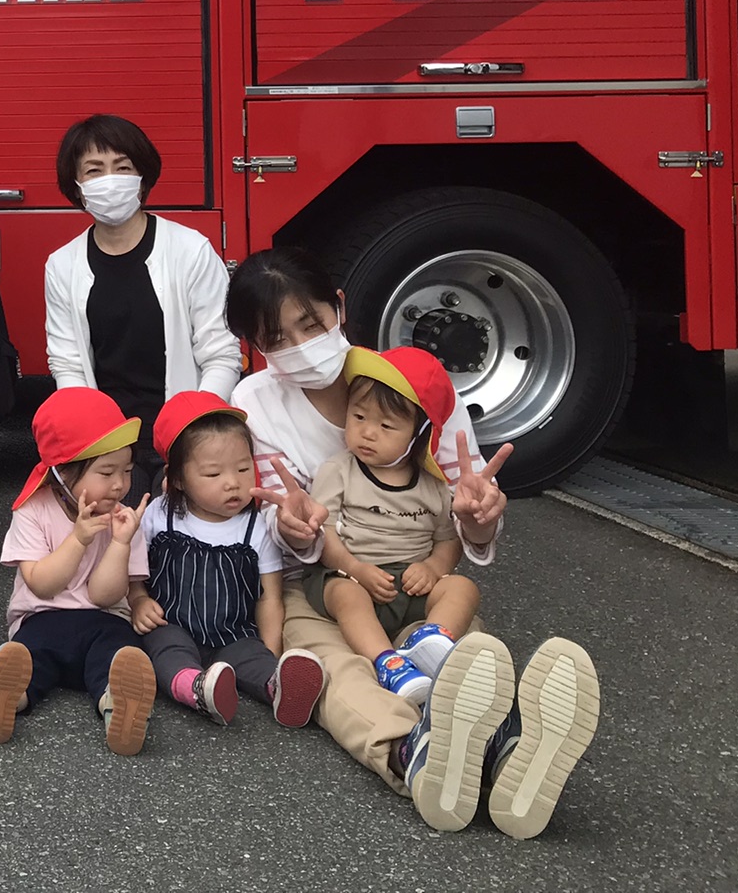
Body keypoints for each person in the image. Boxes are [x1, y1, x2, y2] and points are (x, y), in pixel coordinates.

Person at [227, 247, 602, 839]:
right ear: (254, 344)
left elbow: (465, 511)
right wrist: (293, 528)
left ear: (340, 308)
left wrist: (480, 518)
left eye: (312, 324)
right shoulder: (252, 404)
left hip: (417, 570)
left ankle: (507, 745)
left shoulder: (419, 386)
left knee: (461, 655)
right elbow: (281, 519)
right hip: (325, 579)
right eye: (277, 338)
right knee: (340, 673)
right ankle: (418, 752)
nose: (300, 344)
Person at [44, 114, 241, 503]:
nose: (109, 179)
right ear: (76, 185)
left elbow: (221, 355)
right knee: (117, 545)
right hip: (112, 446)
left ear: (142, 178)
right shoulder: (62, 264)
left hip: (185, 435)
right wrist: (93, 443)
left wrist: (193, 435)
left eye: (122, 167)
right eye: (94, 170)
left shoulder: (191, 250)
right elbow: (66, 364)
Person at [0, 388, 157, 754]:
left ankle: (118, 706)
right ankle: (1, 697)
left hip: (104, 619)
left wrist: (120, 544)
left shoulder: (124, 520)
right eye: (106, 472)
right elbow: (42, 585)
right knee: (28, 659)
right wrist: (79, 539)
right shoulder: (32, 510)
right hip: (44, 618)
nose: (120, 484)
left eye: (128, 471)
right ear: (62, 472)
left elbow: (105, 596)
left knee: (119, 654)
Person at [125, 391, 325, 727]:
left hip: (234, 632)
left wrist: (269, 650)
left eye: (244, 468)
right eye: (213, 474)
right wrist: (139, 599)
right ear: (176, 478)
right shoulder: (159, 516)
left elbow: (270, 596)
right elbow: (134, 568)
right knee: (165, 650)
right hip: (172, 622)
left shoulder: (256, 526)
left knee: (253, 658)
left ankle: (279, 686)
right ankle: (196, 688)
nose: (233, 483)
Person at [310, 348, 480, 707]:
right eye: (358, 417)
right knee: (346, 595)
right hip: (352, 572)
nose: (367, 433)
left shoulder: (433, 486)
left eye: (386, 425)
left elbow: (448, 541)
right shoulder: (339, 470)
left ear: (418, 435)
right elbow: (323, 532)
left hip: (412, 581)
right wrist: (355, 568)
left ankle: (432, 642)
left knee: (463, 588)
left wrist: (434, 568)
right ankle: (388, 662)